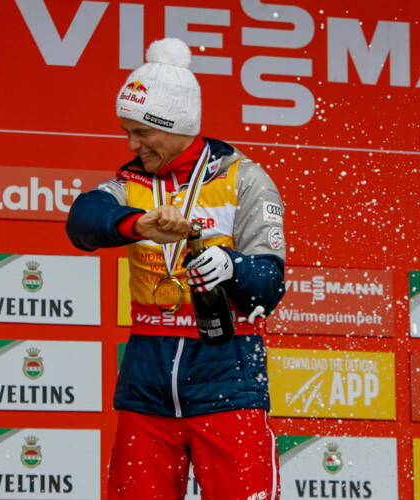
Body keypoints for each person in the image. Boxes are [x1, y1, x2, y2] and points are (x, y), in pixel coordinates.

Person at [66, 38, 285, 500]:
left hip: (229, 378)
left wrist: (231, 266)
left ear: (173, 125)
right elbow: (81, 223)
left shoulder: (244, 178)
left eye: (141, 132)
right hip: (146, 380)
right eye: (126, 131)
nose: (131, 143)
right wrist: (136, 223)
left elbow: (269, 287)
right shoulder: (131, 183)